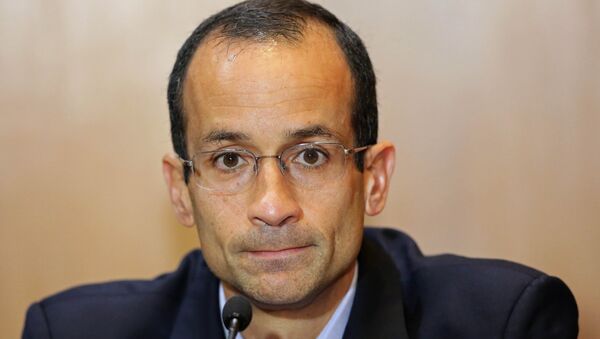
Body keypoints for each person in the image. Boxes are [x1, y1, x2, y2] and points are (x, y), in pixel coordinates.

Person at [22, 0, 578, 338]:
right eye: (229, 160)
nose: (271, 205)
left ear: (374, 178)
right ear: (181, 191)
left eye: (310, 155)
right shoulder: (72, 331)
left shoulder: (503, 323)